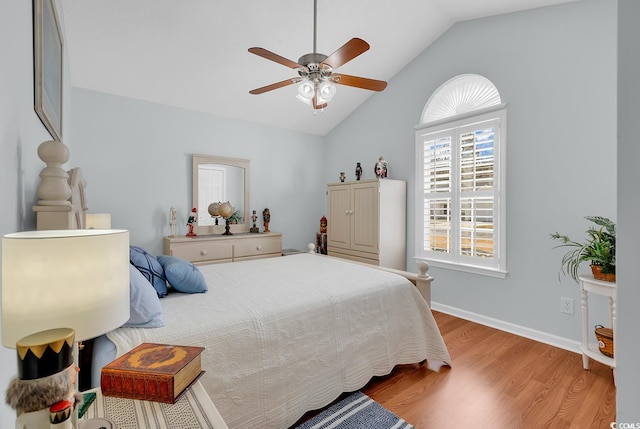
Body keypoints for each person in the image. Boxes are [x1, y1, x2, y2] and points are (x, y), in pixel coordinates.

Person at [6, 328, 80, 429]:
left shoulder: (25, 417)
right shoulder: (60, 410)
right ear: (60, 382)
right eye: (72, 368)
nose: (77, 369)